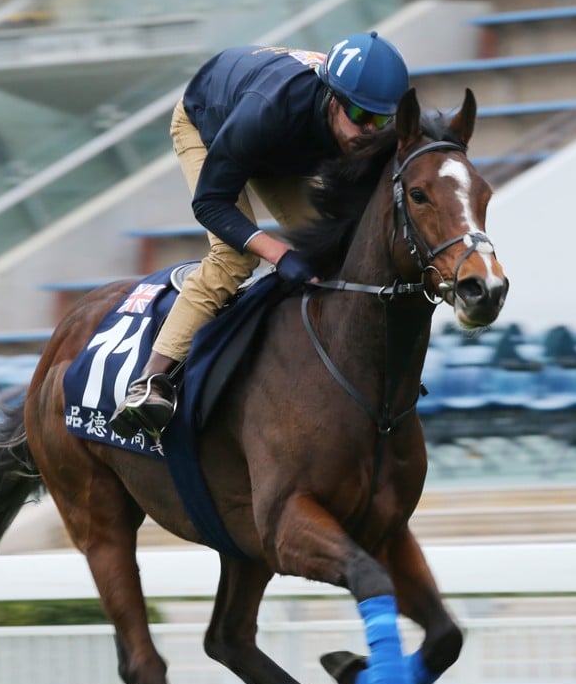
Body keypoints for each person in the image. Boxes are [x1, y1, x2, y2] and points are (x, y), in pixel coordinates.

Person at [110, 31, 410, 439]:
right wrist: (280, 255)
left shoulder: (358, 119)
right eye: (361, 117)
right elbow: (211, 204)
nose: (369, 132)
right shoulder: (268, 110)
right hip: (209, 126)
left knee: (337, 246)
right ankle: (150, 383)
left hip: (282, 147)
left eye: (381, 121)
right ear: (334, 99)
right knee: (234, 259)